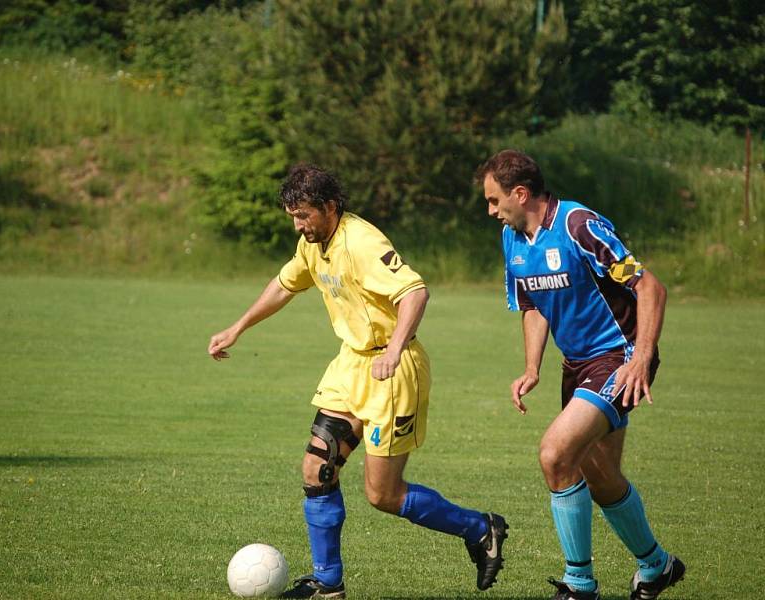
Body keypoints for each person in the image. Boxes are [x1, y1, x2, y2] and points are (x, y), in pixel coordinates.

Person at [208, 163, 508, 599]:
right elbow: (284, 284)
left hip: (394, 370)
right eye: (293, 216)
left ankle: (480, 529)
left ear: (330, 207)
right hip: (351, 366)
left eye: (304, 215)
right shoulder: (312, 243)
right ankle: (328, 584)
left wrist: (393, 349)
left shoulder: (362, 241)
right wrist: (238, 328)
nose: (298, 224)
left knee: (383, 494)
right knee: (317, 468)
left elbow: (415, 293)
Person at [474, 150, 685, 600]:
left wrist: (641, 357)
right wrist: (532, 367)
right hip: (576, 367)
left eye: (494, 201)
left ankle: (579, 584)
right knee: (601, 474)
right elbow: (531, 305)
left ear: (520, 193)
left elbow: (649, 286)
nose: (491, 211)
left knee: (555, 454)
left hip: (617, 358)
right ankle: (656, 565)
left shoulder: (579, 225)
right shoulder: (513, 239)